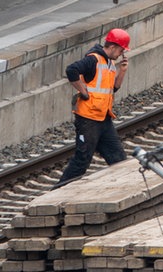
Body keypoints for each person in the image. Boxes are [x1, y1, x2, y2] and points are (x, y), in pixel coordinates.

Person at [54, 28, 131, 188]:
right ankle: (57, 192)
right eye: (121, 49)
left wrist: (122, 71)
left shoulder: (109, 64)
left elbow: (113, 89)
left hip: (103, 119)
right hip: (88, 119)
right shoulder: (93, 60)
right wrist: (83, 92)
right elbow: (71, 70)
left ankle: (125, 188)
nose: (122, 53)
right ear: (113, 46)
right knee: (82, 160)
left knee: (118, 159)